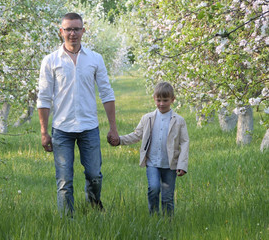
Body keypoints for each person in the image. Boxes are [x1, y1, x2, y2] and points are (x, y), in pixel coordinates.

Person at [37, 12, 118, 216]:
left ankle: (93, 205)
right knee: (64, 180)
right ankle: (68, 222)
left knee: (95, 176)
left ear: (83, 30)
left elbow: (106, 93)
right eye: (68, 29)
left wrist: (113, 128)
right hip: (62, 129)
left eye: (76, 29)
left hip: (89, 127)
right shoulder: (50, 61)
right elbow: (44, 98)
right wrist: (44, 132)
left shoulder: (95, 59)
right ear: (61, 32)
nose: (72, 33)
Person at [112, 82, 189, 216]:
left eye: (165, 100)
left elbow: (184, 143)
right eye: (158, 100)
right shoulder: (147, 118)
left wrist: (182, 164)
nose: (161, 104)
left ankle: (168, 222)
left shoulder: (179, 121)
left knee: (167, 196)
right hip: (152, 163)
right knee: (153, 188)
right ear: (154, 98)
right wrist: (120, 140)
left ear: (172, 100)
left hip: (170, 165)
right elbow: (137, 135)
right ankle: (154, 217)